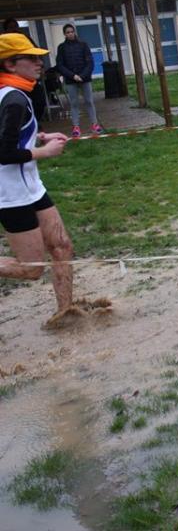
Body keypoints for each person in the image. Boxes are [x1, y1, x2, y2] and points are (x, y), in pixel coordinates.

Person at [0, 33, 76, 324]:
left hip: (31, 187)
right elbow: (4, 153)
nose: (39, 62)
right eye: (30, 58)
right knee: (32, 269)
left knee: (62, 246)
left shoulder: (16, 93)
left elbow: (11, 134)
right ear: (10, 63)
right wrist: (45, 152)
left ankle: (65, 313)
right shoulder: (14, 99)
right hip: (10, 195)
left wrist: (38, 135)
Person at [56, 24, 102, 137]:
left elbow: (90, 62)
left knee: (89, 101)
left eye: (72, 31)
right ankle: (76, 127)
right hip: (71, 80)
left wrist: (82, 75)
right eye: (67, 32)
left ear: (75, 32)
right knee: (74, 103)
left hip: (85, 79)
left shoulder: (83, 45)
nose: (70, 34)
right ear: (64, 34)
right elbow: (60, 65)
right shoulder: (61, 47)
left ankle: (95, 124)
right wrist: (73, 76)